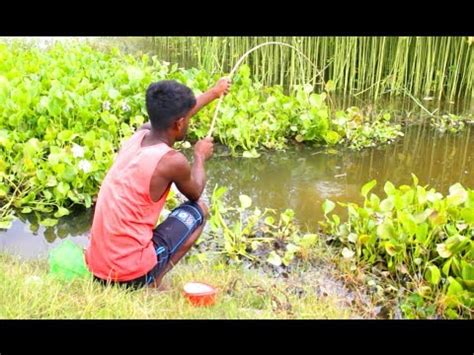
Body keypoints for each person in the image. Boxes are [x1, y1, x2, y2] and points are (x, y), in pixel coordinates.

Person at [85, 77, 231, 289]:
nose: (188, 122)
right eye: (186, 120)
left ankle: (142, 270)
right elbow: (196, 192)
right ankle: (152, 281)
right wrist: (199, 156)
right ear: (179, 123)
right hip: (128, 277)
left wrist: (213, 93)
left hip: (97, 270)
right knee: (199, 211)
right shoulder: (171, 161)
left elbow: (177, 116)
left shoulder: (140, 134)